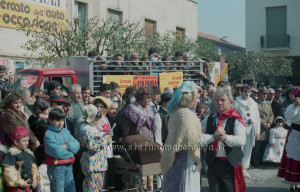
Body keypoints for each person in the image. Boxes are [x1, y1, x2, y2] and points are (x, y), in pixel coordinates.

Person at [201, 86, 246, 192]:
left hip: (229, 164)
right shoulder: (210, 119)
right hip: (213, 163)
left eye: (222, 100)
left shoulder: (236, 119)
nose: (219, 103)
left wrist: (226, 138)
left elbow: (241, 140)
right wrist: (212, 138)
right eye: (217, 100)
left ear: (230, 102)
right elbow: (198, 135)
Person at [160, 81, 203, 192]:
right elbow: (192, 140)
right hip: (184, 161)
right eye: (197, 97)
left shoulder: (177, 111)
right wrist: (213, 137)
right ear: (189, 97)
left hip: (177, 159)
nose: (198, 100)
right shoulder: (184, 114)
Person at [44, 108, 80, 192]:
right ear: (50, 120)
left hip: (69, 166)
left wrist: (66, 146)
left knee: (71, 188)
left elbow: (77, 145)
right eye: (57, 120)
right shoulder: (49, 134)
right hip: (56, 167)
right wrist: (71, 153)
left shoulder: (65, 131)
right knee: (58, 189)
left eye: (62, 120)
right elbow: (58, 153)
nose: (60, 123)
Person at [80, 104, 112, 192]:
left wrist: (107, 136)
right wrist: (105, 138)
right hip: (92, 163)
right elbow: (93, 146)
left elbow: (102, 142)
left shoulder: (94, 129)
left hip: (99, 163)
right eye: (96, 119)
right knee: (91, 187)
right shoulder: (86, 130)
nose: (98, 121)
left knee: (98, 188)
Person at [233, 85, 260, 178]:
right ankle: (237, 168)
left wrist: (258, 132)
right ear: (241, 92)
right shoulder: (236, 102)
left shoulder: (253, 103)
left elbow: (257, 118)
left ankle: (244, 168)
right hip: (240, 127)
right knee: (239, 148)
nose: (247, 93)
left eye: (248, 92)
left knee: (248, 149)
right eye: (245, 91)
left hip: (250, 127)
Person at [1, 127, 40, 192]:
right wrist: (21, 183)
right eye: (24, 141)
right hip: (16, 188)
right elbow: (9, 173)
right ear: (16, 142)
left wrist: (35, 180)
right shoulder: (12, 154)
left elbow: (34, 168)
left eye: (27, 140)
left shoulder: (29, 153)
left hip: (28, 187)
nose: (27, 143)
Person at [278, 87, 300, 192]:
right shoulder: (291, 106)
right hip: (295, 134)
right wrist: (295, 105)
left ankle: (298, 182)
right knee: (293, 158)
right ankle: (292, 183)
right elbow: (289, 117)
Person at [252, 86, 274, 168]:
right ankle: (256, 163)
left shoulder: (268, 103)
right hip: (259, 128)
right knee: (257, 147)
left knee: (264, 146)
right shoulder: (254, 103)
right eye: (263, 93)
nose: (265, 95)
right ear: (258, 94)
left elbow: (272, 114)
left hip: (267, 129)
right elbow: (254, 115)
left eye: (266, 94)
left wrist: (269, 123)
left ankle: (263, 161)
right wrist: (263, 123)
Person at [28, 98, 51, 166]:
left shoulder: (45, 118)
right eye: (47, 108)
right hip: (40, 148)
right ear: (40, 110)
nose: (49, 109)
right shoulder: (35, 120)